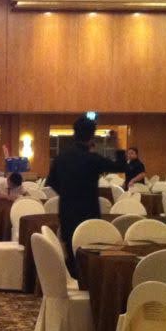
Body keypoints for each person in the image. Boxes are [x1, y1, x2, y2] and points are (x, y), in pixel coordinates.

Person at [46, 115, 127, 275]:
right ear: (91, 136)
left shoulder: (61, 157)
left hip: (67, 210)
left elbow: (51, 181)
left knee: (71, 251)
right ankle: (90, 289)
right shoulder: (93, 159)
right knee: (91, 252)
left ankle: (71, 284)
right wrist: (118, 143)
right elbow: (121, 166)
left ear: (74, 133)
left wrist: (67, 193)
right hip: (89, 211)